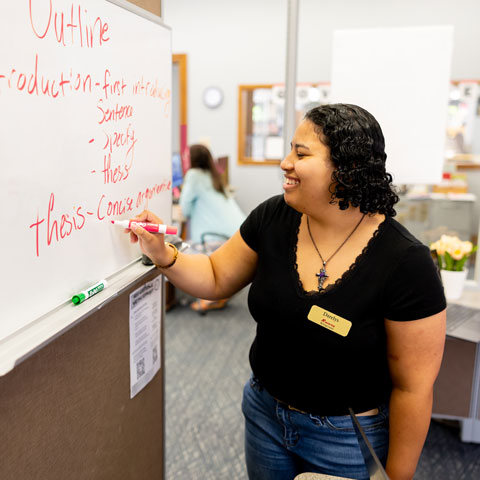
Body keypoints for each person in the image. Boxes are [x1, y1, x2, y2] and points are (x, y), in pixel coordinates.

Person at [127, 104, 446, 480]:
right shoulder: (274, 217)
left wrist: (398, 477)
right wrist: (162, 253)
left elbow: (413, 389)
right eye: (289, 149)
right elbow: (214, 276)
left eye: (301, 153)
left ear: (346, 169)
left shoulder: (405, 262)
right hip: (265, 414)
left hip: (344, 437)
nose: (285, 162)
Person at [179, 144, 246, 311]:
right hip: (238, 235)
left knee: (176, 252)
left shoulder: (193, 175)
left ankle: (208, 295)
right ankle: (221, 289)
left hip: (216, 238)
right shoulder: (214, 175)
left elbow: (184, 209)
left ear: (192, 160)